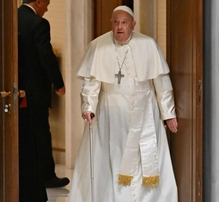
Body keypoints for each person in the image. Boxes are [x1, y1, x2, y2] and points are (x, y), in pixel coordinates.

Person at [69, 5, 179, 202]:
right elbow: (91, 83)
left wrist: (168, 113)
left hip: (144, 108)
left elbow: (162, 83)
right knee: (114, 158)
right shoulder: (98, 45)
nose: (119, 27)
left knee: (142, 157)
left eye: (124, 23)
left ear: (133, 24)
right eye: (116, 22)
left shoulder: (148, 44)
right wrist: (88, 107)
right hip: (111, 112)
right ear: (111, 23)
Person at [18, 0, 69, 201]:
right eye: (46, 3)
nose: (47, 8)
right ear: (38, 2)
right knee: (40, 132)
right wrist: (58, 83)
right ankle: (46, 175)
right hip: (35, 91)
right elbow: (45, 56)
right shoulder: (39, 23)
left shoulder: (11, 18)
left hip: (18, 90)